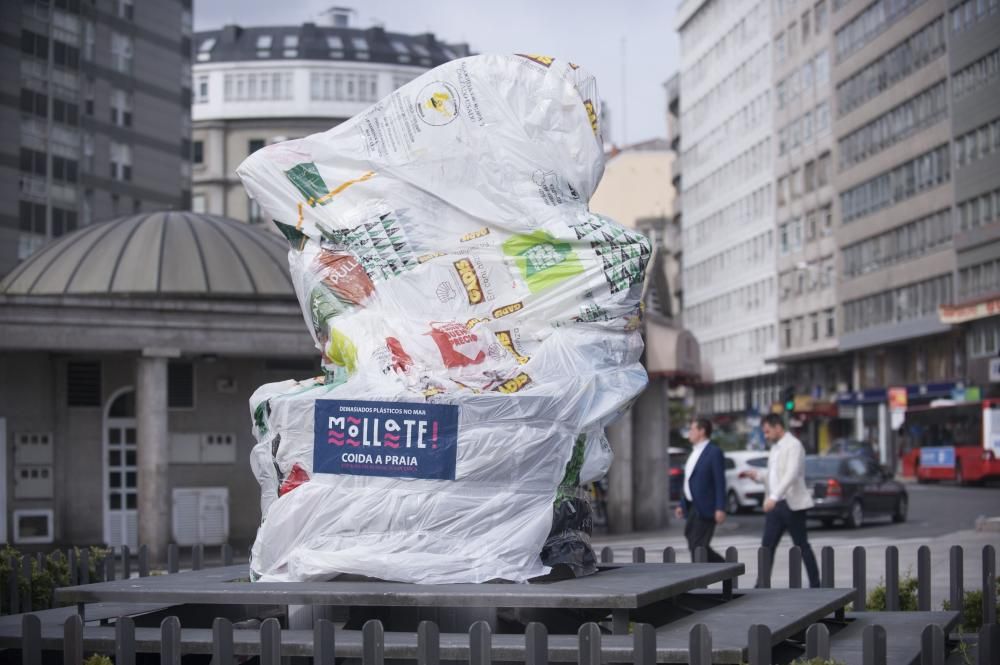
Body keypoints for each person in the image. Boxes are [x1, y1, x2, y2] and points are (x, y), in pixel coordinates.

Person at [751, 413, 820, 587]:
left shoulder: (794, 445)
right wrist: (758, 476)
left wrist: (773, 497)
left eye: (767, 431)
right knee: (767, 546)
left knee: (801, 545)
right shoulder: (775, 448)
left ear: (778, 427)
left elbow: (791, 474)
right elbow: (775, 475)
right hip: (776, 505)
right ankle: (761, 585)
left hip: (791, 504)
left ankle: (816, 584)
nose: (766, 436)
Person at [674, 418, 726, 562]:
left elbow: (720, 481)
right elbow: (689, 481)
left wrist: (720, 508)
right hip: (692, 506)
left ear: (702, 431)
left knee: (698, 545)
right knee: (692, 539)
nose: (689, 433)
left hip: (706, 507)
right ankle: (726, 566)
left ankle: (700, 579)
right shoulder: (693, 453)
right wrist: (682, 504)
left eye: (692, 429)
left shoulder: (714, 452)